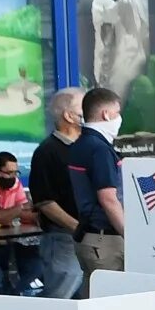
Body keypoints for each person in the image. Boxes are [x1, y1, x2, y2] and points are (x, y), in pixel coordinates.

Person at [67, 86, 128, 290]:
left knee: (92, 301)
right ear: (106, 114)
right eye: (117, 113)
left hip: (89, 237)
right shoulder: (99, 149)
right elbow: (108, 198)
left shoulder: (80, 144)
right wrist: (129, 234)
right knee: (108, 306)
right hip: (105, 240)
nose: (119, 118)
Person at [28, 87, 86, 299]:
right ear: (69, 116)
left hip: (94, 239)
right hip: (65, 239)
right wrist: (78, 227)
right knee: (60, 299)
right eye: (84, 107)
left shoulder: (89, 145)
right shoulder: (48, 151)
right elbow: (44, 201)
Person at [0, 152, 42, 295]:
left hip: (12, 240)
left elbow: (26, 213)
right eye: (9, 173)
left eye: (16, 172)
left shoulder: (15, 183)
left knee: (36, 268)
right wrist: (18, 210)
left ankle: (15, 295)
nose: (13, 177)